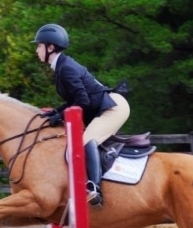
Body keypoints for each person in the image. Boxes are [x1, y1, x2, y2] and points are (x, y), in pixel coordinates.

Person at [32, 23, 130, 208]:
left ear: (50, 47)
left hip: (114, 108)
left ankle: (94, 188)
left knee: (85, 142)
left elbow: (82, 101)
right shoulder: (62, 66)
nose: (37, 50)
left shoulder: (66, 68)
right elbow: (75, 100)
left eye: (39, 45)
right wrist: (56, 113)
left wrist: (60, 117)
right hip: (106, 106)